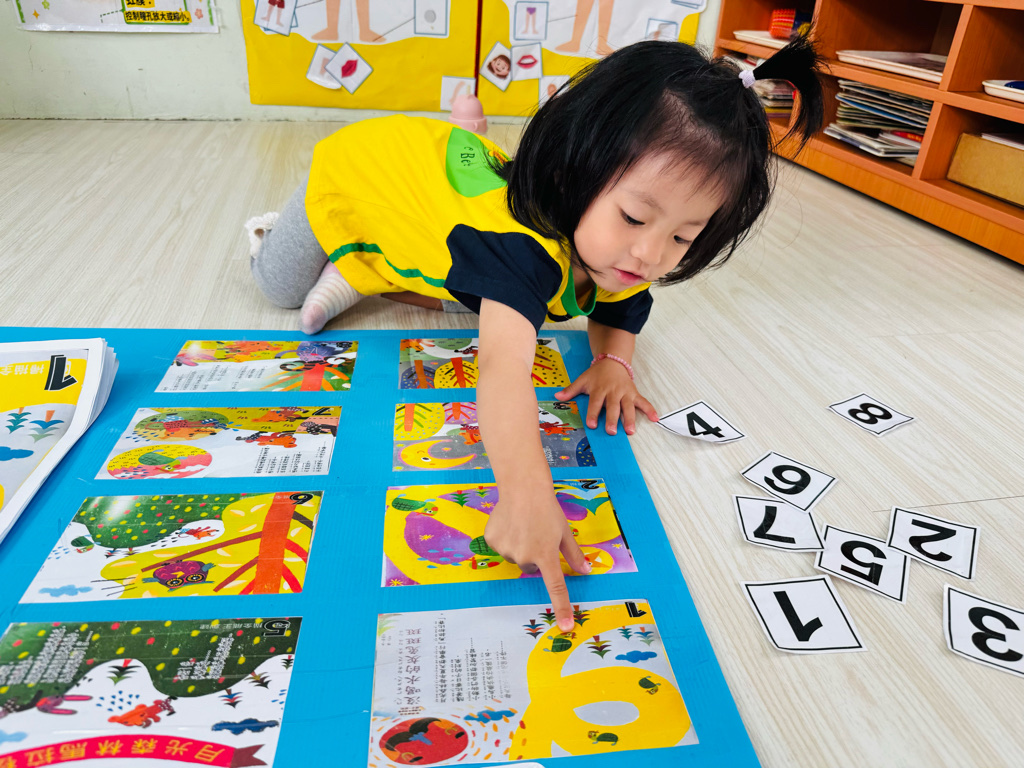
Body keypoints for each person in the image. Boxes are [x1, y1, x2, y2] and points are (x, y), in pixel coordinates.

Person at [245, 37, 824, 631]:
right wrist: (525, 492)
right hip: (361, 172)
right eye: (633, 217)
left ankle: (379, 250)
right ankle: (340, 256)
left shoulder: (618, 257)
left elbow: (621, 308)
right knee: (278, 288)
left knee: (477, 292)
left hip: (439, 186)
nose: (650, 254)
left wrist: (615, 363)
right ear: (573, 173)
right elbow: (501, 369)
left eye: (683, 237)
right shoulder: (522, 252)